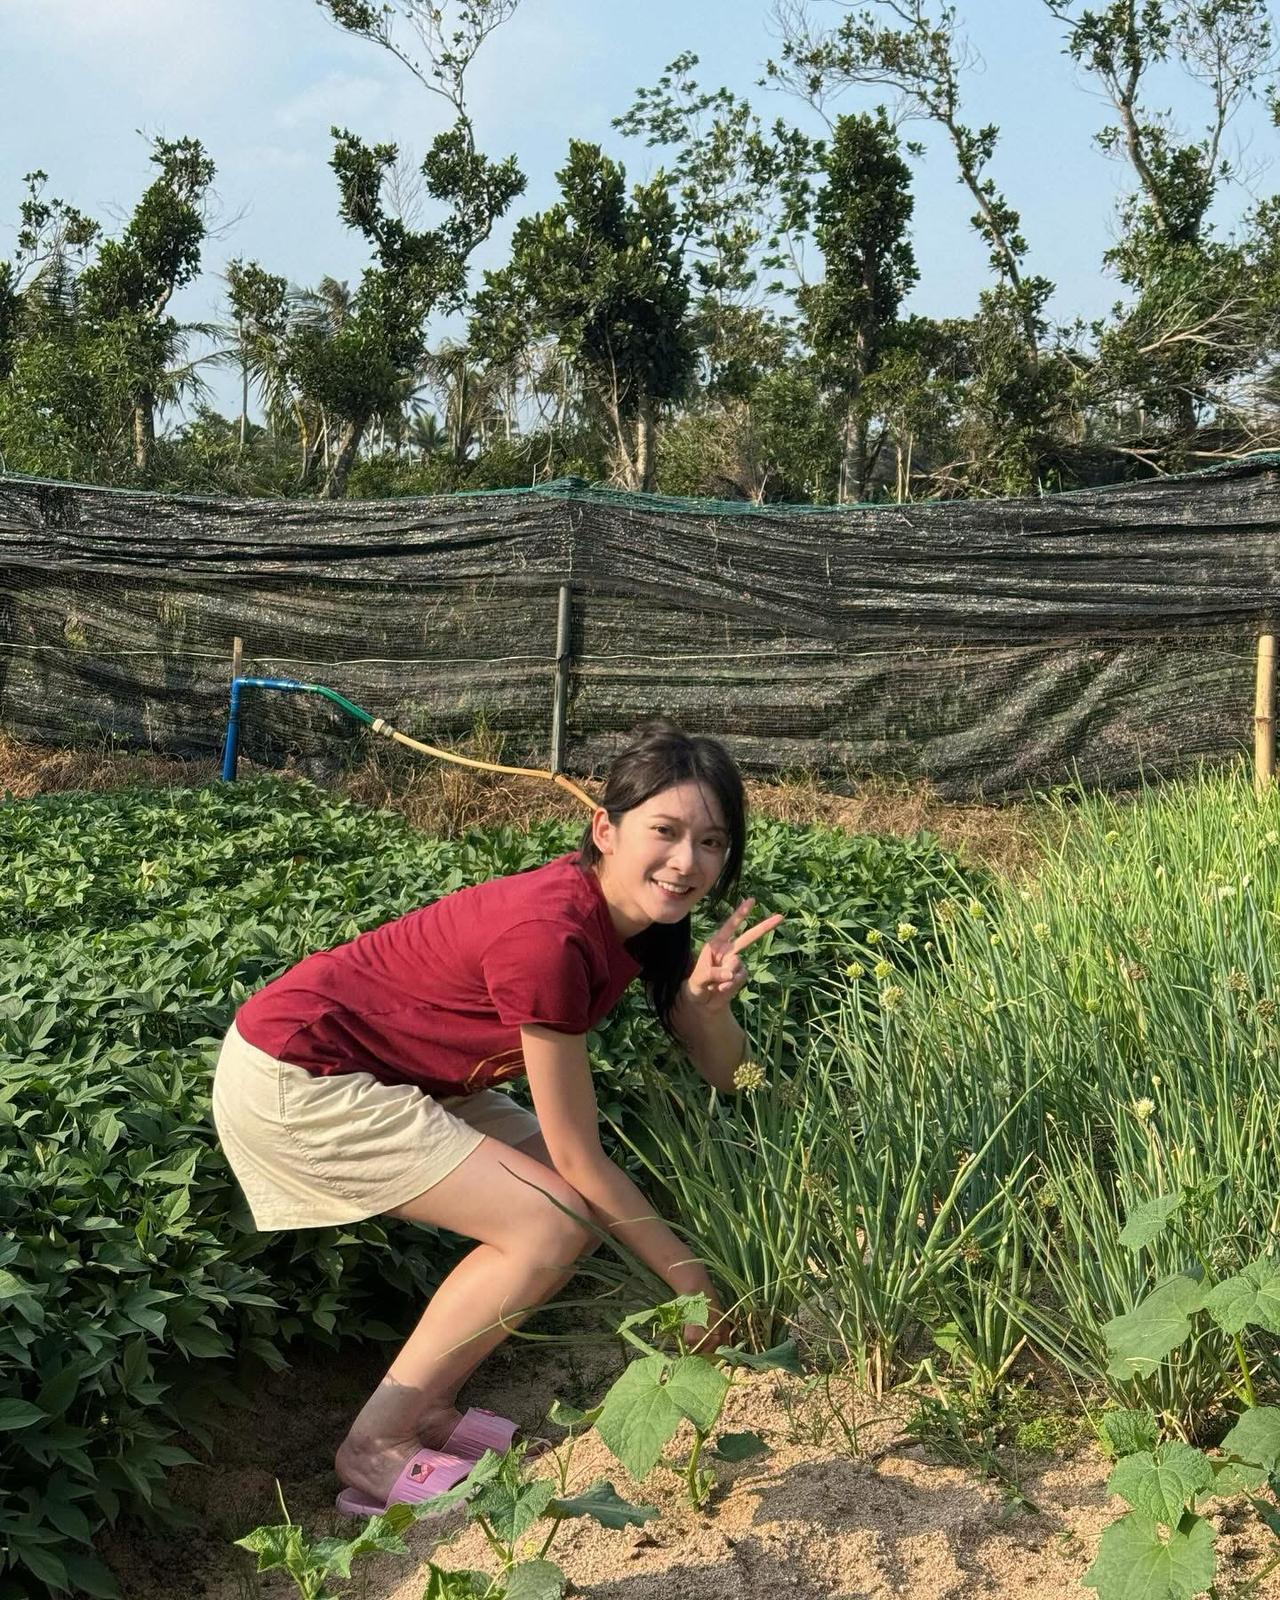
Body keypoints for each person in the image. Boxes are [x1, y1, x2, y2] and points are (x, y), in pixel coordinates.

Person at [210, 719, 781, 1518]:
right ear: (605, 829)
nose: (688, 862)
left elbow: (731, 1076)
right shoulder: (551, 935)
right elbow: (582, 1161)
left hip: (402, 1071)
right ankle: (376, 1448)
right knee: (551, 1216)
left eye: (713, 841)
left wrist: (701, 1004)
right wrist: (693, 1287)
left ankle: (430, 1413)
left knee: (563, 1206)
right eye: (667, 831)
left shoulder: (641, 922)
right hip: (300, 1073)